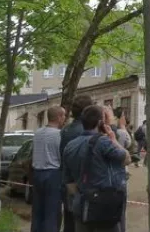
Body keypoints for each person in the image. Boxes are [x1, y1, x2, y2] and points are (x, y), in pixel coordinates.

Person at [62, 105, 132, 232]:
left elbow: (69, 183)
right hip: (103, 209)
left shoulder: (70, 146)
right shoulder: (103, 142)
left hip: (81, 207)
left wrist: (83, 195)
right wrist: (113, 139)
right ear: (100, 123)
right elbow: (126, 158)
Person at [60, 95, 94, 232]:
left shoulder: (65, 130)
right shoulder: (87, 132)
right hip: (84, 184)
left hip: (68, 183)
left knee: (69, 222)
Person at [31, 105, 66, 232]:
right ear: (59, 117)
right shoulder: (59, 135)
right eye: (64, 115)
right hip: (53, 174)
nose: (65, 118)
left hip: (37, 173)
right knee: (52, 211)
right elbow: (61, 156)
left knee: (37, 210)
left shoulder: (37, 133)